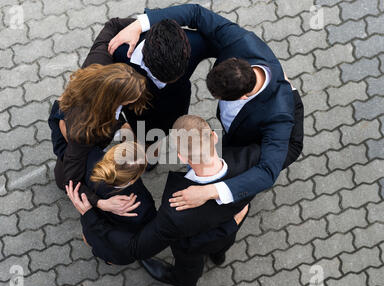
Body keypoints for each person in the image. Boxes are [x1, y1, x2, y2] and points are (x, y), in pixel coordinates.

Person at [108, 4, 304, 211]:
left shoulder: (278, 116)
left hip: (267, 141)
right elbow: (196, 13)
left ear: (244, 96)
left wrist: (212, 191)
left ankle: (237, 209)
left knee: (230, 168)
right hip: (242, 121)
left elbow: (267, 171)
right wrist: (139, 24)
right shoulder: (241, 42)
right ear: (235, 61)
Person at [66, 115, 264, 286]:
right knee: (219, 248)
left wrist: (91, 213)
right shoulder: (253, 157)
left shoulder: (172, 210)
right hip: (233, 222)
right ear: (214, 136)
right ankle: (218, 256)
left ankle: (192, 275)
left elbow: (137, 249)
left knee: (191, 268)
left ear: (180, 156)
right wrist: (235, 221)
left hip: (193, 247)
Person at [84, 17, 215, 137]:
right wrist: (120, 124)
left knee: (164, 132)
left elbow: (226, 40)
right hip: (137, 111)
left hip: (176, 104)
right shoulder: (119, 54)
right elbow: (101, 96)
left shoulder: (195, 44)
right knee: (144, 137)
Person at [48, 63, 148, 217]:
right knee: (66, 176)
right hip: (75, 136)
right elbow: (72, 182)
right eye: (130, 99)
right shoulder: (82, 133)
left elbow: (103, 40)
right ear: (114, 100)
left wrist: (125, 127)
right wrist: (102, 203)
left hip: (79, 122)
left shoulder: (102, 78)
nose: (139, 96)